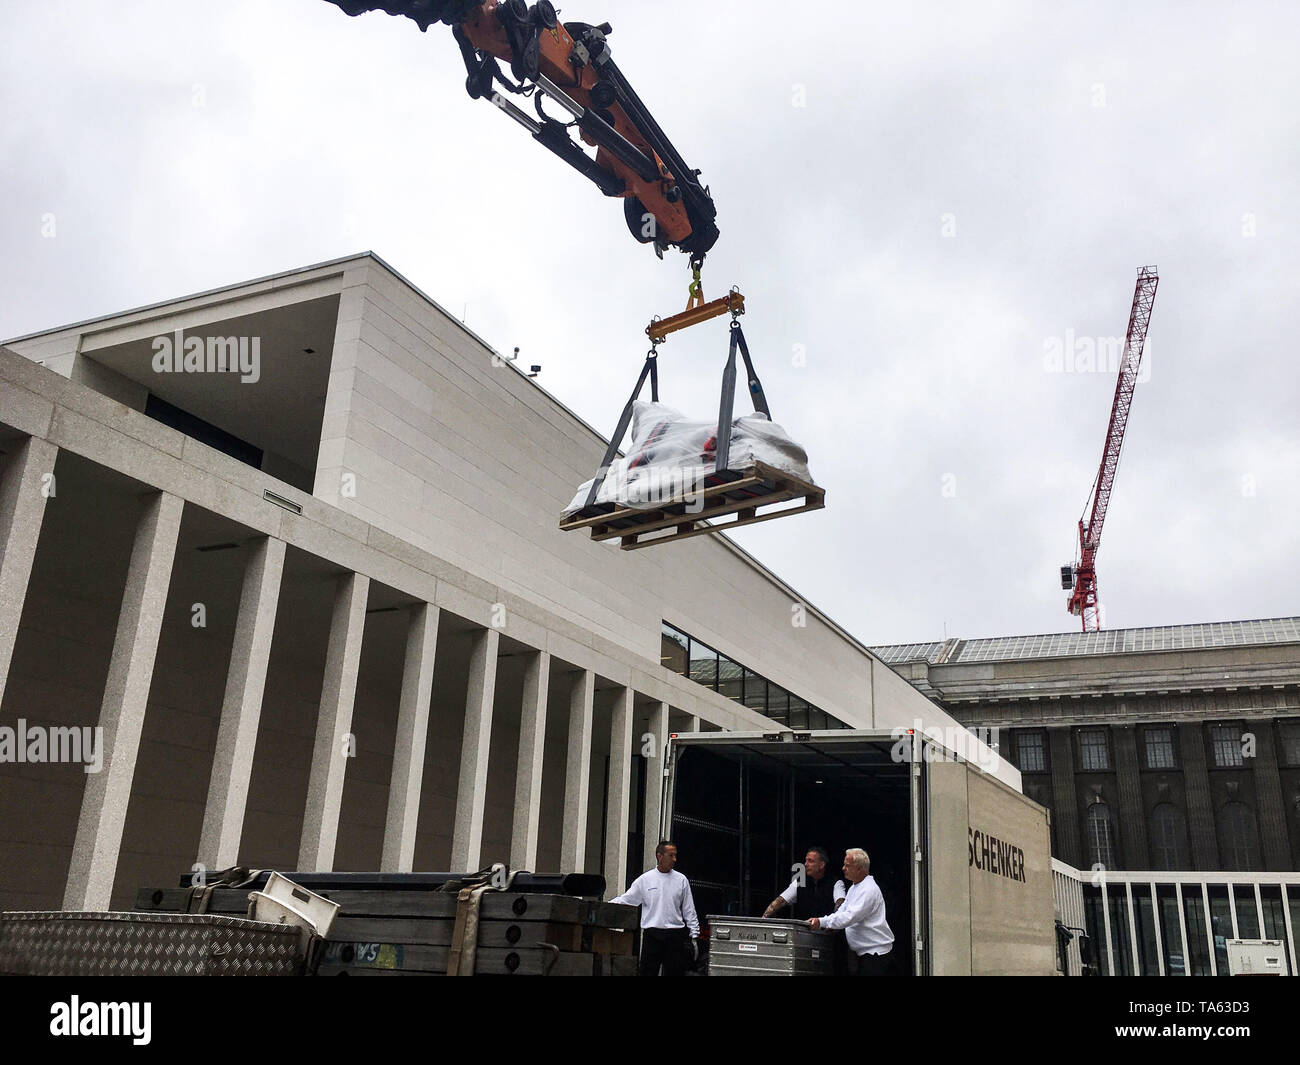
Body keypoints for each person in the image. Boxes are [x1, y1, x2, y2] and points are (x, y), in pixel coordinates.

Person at [610, 840, 700, 976]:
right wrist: (608, 905)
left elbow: (689, 909)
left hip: (675, 935)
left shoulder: (681, 880)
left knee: (674, 972)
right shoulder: (645, 880)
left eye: (675, 855)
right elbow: (627, 899)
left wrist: (694, 935)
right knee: (647, 971)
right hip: (653, 935)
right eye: (671, 855)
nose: (674, 859)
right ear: (660, 856)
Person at [808, 848, 894, 975]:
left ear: (859, 869)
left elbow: (849, 917)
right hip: (863, 954)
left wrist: (821, 922)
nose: (843, 868)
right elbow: (842, 911)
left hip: (875, 955)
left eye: (847, 865)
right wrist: (824, 922)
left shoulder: (868, 890)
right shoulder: (855, 887)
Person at [762, 846, 847, 920]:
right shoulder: (800, 881)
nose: (806, 864)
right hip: (804, 931)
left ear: (821, 865)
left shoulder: (835, 883)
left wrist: (835, 923)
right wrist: (764, 919)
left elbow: (840, 903)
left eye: (811, 861)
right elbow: (780, 901)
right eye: (806, 861)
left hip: (827, 931)